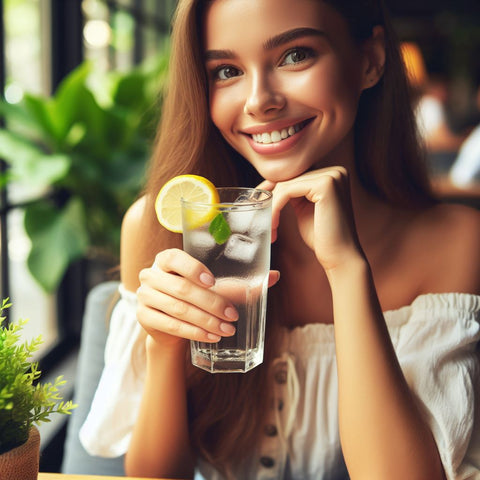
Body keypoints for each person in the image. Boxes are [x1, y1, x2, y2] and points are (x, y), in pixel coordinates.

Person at [79, 0, 480, 479]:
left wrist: (348, 272)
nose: (258, 101)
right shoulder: (160, 227)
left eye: (295, 56)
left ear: (369, 60)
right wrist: (164, 346)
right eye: (226, 70)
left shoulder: (459, 242)